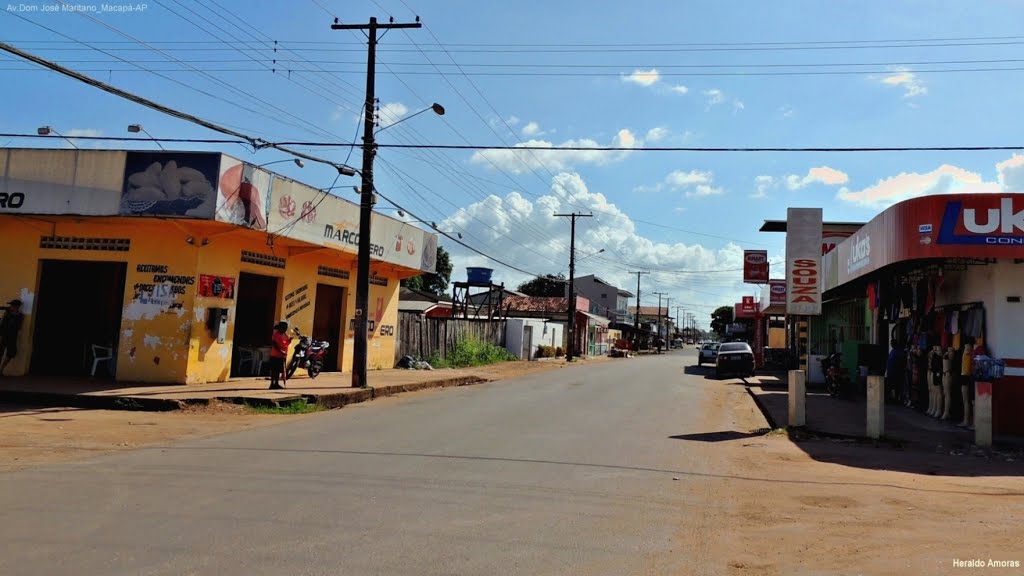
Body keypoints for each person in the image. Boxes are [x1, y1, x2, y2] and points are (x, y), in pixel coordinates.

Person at [0, 299, 24, 376]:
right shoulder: (7, 314)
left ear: (17, 307)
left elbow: (18, 327)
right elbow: (2, 325)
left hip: (12, 337)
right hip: (4, 336)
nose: (11, 307)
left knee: (11, 353)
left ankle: (1, 369)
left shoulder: (20, 316)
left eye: (12, 306)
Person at [269, 321, 291, 390]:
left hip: (282, 356)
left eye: (286, 328)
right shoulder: (276, 334)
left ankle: (276, 383)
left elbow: (286, 343)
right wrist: (281, 351)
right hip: (275, 355)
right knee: (274, 371)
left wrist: (290, 340)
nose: (285, 329)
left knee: (278, 371)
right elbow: (274, 344)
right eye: (284, 328)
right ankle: (272, 384)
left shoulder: (285, 335)